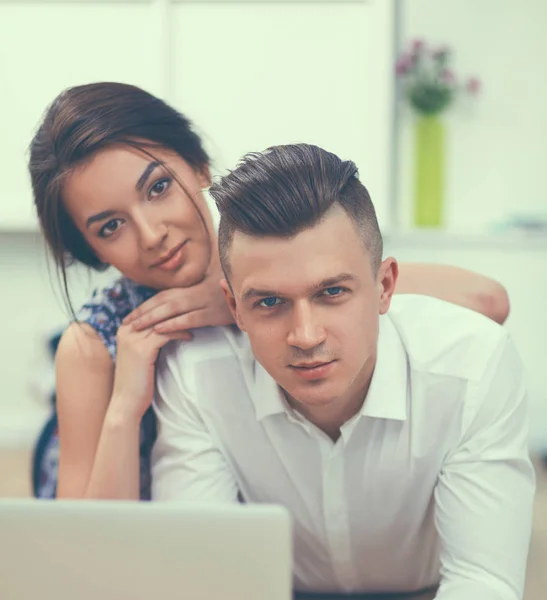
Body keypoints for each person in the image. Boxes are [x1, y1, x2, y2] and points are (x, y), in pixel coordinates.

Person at [29, 82, 510, 502]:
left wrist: (243, 301)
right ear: (91, 250)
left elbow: (488, 301)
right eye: (111, 226)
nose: (151, 233)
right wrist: (125, 408)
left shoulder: (277, 257)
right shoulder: (93, 345)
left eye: (157, 188)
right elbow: (86, 547)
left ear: (198, 166)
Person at [151, 144, 535, 598]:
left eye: (331, 292)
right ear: (234, 307)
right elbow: (202, 580)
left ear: (385, 286)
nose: (306, 336)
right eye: (269, 302)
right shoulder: (197, 376)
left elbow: (482, 581)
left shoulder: (473, 365)